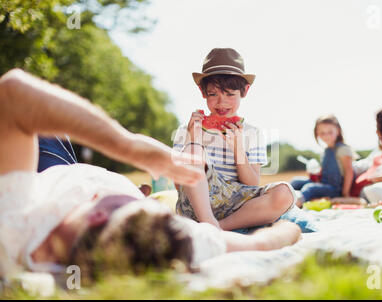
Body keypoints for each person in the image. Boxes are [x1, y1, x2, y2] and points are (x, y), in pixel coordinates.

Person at [0, 69, 301, 280]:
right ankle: (176, 204)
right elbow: (273, 240)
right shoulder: (166, 240)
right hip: (211, 207)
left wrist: (131, 147)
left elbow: (12, 92)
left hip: (51, 174)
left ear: (95, 212)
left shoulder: (13, 224)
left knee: (45, 121)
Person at [172, 48, 298, 231]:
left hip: (236, 208)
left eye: (230, 94)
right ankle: (207, 221)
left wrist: (238, 149)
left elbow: (251, 184)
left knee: (284, 193)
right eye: (213, 94)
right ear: (202, 92)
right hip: (196, 206)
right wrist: (194, 140)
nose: (222, 102)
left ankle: (217, 228)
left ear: (244, 91)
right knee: (192, 151)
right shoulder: (187, 130)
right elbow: (178, 183)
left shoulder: (253, 134)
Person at [290, 114, 357, 207]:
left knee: (310, 188)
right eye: (322, 133)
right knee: (295, 182)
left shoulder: (343, 149)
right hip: (323, 184)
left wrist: (345, 194)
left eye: (330, 132)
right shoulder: (325, 151)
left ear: (337, 131)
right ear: (317, 133)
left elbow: (349, 171)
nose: (326, 136)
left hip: (335, 189)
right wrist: (316, 173)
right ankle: (283, 199)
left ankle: (294, 205)